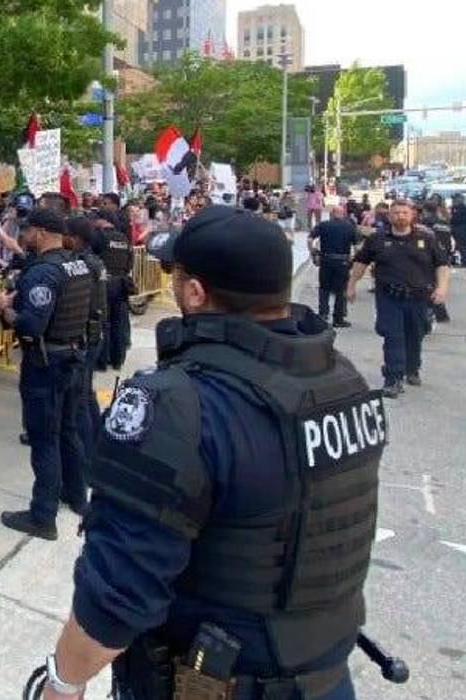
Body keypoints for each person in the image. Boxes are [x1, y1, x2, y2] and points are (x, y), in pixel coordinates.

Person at [36, 205, 386, 700]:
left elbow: (118, 592)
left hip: (215, 682)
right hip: (321, 673)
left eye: (175, 277)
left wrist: (63, 682)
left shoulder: (179, 405)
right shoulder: (340, 379)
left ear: (195, 292)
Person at [0, 208, 92, 539]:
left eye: (26, 231)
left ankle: (42, 515)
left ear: (40, 232)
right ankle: (76, 494)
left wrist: (5, 309)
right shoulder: (78, 264)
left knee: (45, 439)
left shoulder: (43, 273)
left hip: (47, 364)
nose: (22, 236)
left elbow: (32, 323)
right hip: (72, 357)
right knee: (68, 431)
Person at [348, 199, 450, 397]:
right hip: (389, 297)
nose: (400, 216)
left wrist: (442, 288)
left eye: (404, 212)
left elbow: (442, 264)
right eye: (396, 213)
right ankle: (393, 378)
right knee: (393, 335)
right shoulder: (377, 239)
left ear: (412, 215)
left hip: (419, 297)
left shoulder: (426, 238)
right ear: (389, 215)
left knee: (415, 335)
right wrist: (351, 285)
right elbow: (361, 262)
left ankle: (412, 368)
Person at [64, 217, 108, 475]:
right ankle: (94, 447)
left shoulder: (81, 265)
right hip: (93, 335)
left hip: (84, 337)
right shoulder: (94, 262)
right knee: (85, 395)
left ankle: (86, 462)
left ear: (77, 238)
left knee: (79, 402)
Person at [94, 212, 133, 371]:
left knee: (104, 322)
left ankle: (102, 361)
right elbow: (130, 262)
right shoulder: (123, 238)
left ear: (104, 220)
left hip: (104, 283)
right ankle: (117, 360)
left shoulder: (99, 237)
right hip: (122, 282)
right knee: (119, 322)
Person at [308, 204, 358, 328]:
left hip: (326, 260)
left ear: (331, 214)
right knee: (341, 290)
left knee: (324, 288)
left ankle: (323, 314)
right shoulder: (350, 227)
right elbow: (356, 247)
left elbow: (310, 239)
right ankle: (338, 318)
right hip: (342, 261)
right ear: (343, 214)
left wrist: (313, 253)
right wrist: (354, 260)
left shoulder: (323, 225)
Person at [451, 193, 466, 266]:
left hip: (461, 228)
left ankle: (464, 260)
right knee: (458, 245)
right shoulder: (453, 208)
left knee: (462, 245)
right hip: (455, 228)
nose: (453, 200)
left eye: (455, 199)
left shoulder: (463, 208)